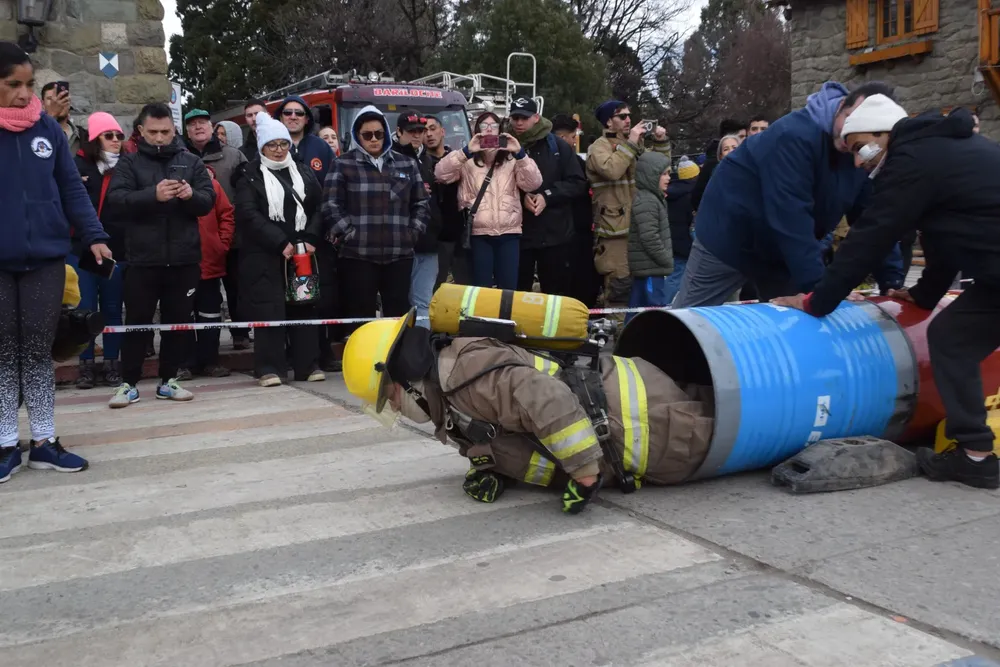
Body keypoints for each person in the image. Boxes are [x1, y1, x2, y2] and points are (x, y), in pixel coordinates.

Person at [771, 97, 1000, 490]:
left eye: (862, 146)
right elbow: (944, 236)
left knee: (951, 339)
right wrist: (925, 296)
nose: (859, 161)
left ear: (884, 133)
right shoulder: (942, 150)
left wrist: (815, 301)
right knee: (950, 337)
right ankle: (976, 457)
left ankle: (977, 456)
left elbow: (871, 238)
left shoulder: (911, 160)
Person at [340, 308, 714, 513]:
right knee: (718, 399)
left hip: (652, 429)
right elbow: (508, 428)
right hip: (638, 416)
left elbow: (545, 398)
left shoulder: (467, 375)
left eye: (388, 398)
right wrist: (494, 468)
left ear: (405, 377)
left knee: (745, 423)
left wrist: (584, 472)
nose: (395, 409)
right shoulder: (449, 390)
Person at [673, 81, 905, 308]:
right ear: (842, 104)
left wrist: (891, 281)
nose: (848, 131)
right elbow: (791, 216)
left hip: (782, 253)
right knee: (690, 318)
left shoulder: (859, 151)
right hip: (728, 234)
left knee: (797, 322)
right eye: (848, 118)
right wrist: (820, 290)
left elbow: (872, 217)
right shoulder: (793, 135)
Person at [0, 42, 112, 483]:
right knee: (4, 355)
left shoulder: (47, 130)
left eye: (29, 85)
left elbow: (72, 189)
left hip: (47, 259)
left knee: (38, 353)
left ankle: (44, 443)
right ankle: (6, 444)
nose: (24, 93)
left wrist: (95, 237)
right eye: (13, 85)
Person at [105, 102, 216, 408]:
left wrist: (191, 195)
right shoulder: (128, 164)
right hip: (142, 259)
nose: (159, 138)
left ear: (173, 130)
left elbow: (208, 201)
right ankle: (128, 383)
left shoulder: (191, 162)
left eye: (165, 132)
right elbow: (115, 201)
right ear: (140, 131)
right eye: (152, 132)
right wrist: (151, 196)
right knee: (138, 323)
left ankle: (169, 380)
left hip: (184, 259)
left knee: (178, 323)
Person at [235, 112, 326, 386]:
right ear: (262, 147)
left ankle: (307, 365)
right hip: (264, 255)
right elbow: (248, 214)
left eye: (283, 144)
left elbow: (320, 207)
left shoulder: (304, 171)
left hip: (301, 252)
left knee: (304, 308)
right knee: (269, 310)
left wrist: (311, 237)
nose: (278, 150)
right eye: (272, 145)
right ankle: (269, 368)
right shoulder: (250, 175)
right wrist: (278, 242)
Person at [323, 105, 429, 333]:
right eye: (367, 135)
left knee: (398, 316)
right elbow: (331, 205)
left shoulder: (405, 163)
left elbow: (421, 202)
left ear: (386, 134)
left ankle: (397, 364)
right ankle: (363, 363)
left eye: (379, 134)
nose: (374, 139)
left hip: (398, 253)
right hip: (357, 255)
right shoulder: (343, 164)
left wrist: (412, 233)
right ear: (357, 136)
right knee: (360, 317)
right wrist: (348, 234)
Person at [434, 111, 542, 290]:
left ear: (500, 130)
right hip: (478, 234)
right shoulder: (466, 160)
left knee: (508, 288)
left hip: (509, 233)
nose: (489, 130)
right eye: (484, 126)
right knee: (480, 289)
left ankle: (505, 318)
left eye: (494, 126)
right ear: (477, 130)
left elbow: (533, 184)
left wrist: (520, 153)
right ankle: (480, 319)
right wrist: (466, 151)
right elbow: (440, 174)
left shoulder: (511, 159)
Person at [71, 111, 127, 389]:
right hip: (81, 250)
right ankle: (86, 366)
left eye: (119, 135)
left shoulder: (127, 166)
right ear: (95, 139)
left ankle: (112, 362)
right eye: (109, 135)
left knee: (113, 308)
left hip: (116, 250)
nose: (116, 140)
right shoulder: (75, 165)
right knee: (84, 309)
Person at [509, 98, 588, 296]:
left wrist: (547, 196)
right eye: (515, 117)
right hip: (519, 235)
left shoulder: (557, 146)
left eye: (524, 118)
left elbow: (577, 182)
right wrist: (521, 198)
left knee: (555, 296)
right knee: (517, 296)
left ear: (536, 118)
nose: (519, 123)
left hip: (555, 235)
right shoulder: (505, 145)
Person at [586, 100, 650, 314]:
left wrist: (660, 143)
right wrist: (631, 144)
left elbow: (656, 173)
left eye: (628, 115)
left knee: (642, 288)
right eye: (621, 116)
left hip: (639, 226)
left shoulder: (633, 145)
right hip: (614, 232)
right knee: (618, 288)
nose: (628, 120)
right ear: (608, 121)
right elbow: (611, 170)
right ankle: (618, 336)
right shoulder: (598, 147)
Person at [179, 166, 235, 379]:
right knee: (182, 316)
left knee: (210, 315)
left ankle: (210, 361)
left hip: (210, 263)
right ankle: (184, 363)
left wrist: (222, 245)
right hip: (179, 265)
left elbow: (226, 214)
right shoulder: (168, 186)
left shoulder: (211, 185)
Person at [394, 109, 442, 329]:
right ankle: (398, 350)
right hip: (399, 243)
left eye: (420, 131)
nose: (417, 135)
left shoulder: (429, 160)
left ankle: (422, 349)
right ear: (399, 132)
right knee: (400, 302)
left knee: (423, 300)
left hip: (428, 240)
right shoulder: (389, 158)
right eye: (411, 131)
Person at [552, 113, 600, 307]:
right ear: (563, 138)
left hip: (571, 231)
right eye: (573, 138)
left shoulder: (576, 162)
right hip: (572, 232)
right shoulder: (571, 164)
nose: (574, 142)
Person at [626, 152, 673, 323]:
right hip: (651, 268)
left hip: (648, 268)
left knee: (637, 309)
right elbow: (650, 237)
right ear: (652, 175)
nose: (668, 178)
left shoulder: (652, 198)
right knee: (654, 310)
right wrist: (666, 259)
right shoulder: (648, 201)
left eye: (669, 173)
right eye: (664, 174)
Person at [425, 115, 470, 289]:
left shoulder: (458, 160)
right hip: (434, 238)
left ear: (443, 131)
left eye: (433, 128)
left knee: (465, 288)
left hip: (460, 234)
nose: (429, 134)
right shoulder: (419, 163)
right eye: (424, 130)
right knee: (433, 289)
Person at [273, 95, 335, 183]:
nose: (293, 117)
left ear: (306, 119)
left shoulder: (322, 146)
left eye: (299, 113)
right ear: (280, 118)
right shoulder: (269, 147)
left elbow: (335, 182)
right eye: (287, 113)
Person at [664, 156, 699, 304]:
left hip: (673, 241)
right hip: (685, 242)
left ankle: (664, 302)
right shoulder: (690, 195)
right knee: (678, 276)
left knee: (676, 275)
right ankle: (662, 304)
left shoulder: (672, 192)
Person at [40, 81, 81, 155]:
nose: (57, 102)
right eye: (50, 99)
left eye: (62, 97)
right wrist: (52, 116)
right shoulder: (35, 133)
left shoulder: (83, 137)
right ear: (43, 104)